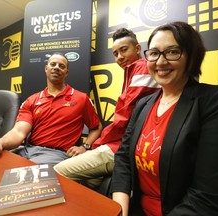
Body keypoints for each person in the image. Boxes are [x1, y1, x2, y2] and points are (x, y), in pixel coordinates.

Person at [110, 21, 218, 215]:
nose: (160, 62)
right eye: (154, 53)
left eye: (172, 52)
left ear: (191, 57)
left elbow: (208, 198)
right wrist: (120, 210)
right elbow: (124, 158)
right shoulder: (144, 104)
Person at [54, 28, 160, 188]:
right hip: (125, 143)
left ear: (137, 49)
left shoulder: (142, 68)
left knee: (57, 171)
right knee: (90, 182)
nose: (120, 57)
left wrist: (93, 145)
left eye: (124, 50)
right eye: (116, 54)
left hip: (127, 146)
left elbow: (124, 119)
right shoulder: (133, 71)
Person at [0, 52, 102, 165]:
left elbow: (96, 127)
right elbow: (18, 132)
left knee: (25, 178)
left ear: (66, 73)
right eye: (53, 64)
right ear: (46, 68)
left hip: (56, 154)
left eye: (61, 66)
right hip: (26, 150)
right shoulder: (32, 100)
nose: (56, 67)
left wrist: (85, 147)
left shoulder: (81, 98)